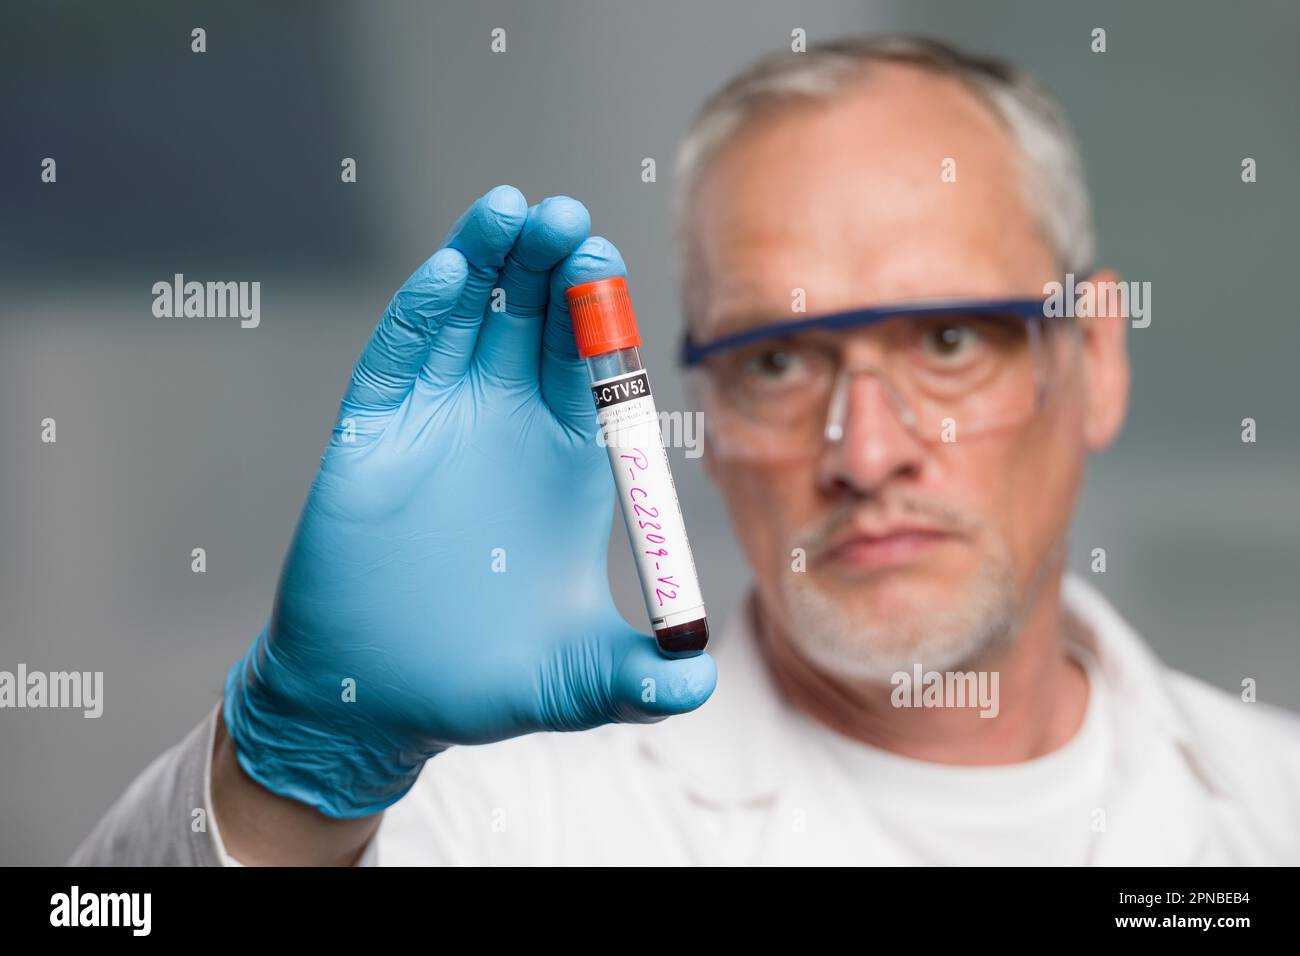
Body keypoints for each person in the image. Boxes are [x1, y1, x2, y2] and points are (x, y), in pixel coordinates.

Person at [72, 35, 1300, 866]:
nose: (865, 450)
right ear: (698, 413)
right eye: (777, 359)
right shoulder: (484, 815)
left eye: (944, 339)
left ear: (1096, 357)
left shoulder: (1273, 802)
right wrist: (294, 768)